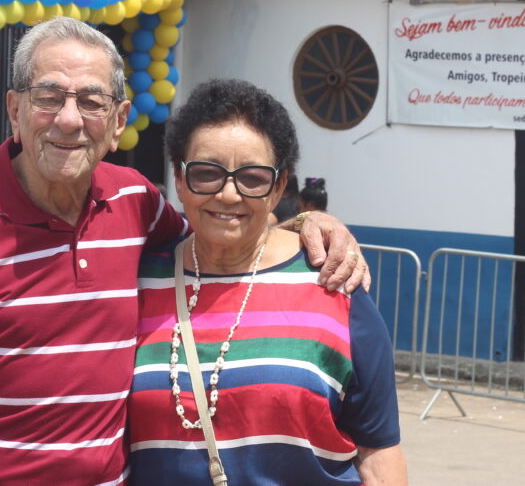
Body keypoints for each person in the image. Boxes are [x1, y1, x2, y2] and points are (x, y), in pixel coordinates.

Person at [0, 17, 368, 485]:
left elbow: (221, 229)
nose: (68, 120)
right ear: (15, 109)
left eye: (91, 101)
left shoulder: (135, 201)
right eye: (48, 97)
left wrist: (308, 222)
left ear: (119, 120)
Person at [129, 79, 407, 485]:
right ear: (179, 177)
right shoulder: (139, 280)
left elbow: (377, 451)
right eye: (206, 173)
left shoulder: (333, 283)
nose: (228, 194)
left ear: (278, 187)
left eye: (253, 178)